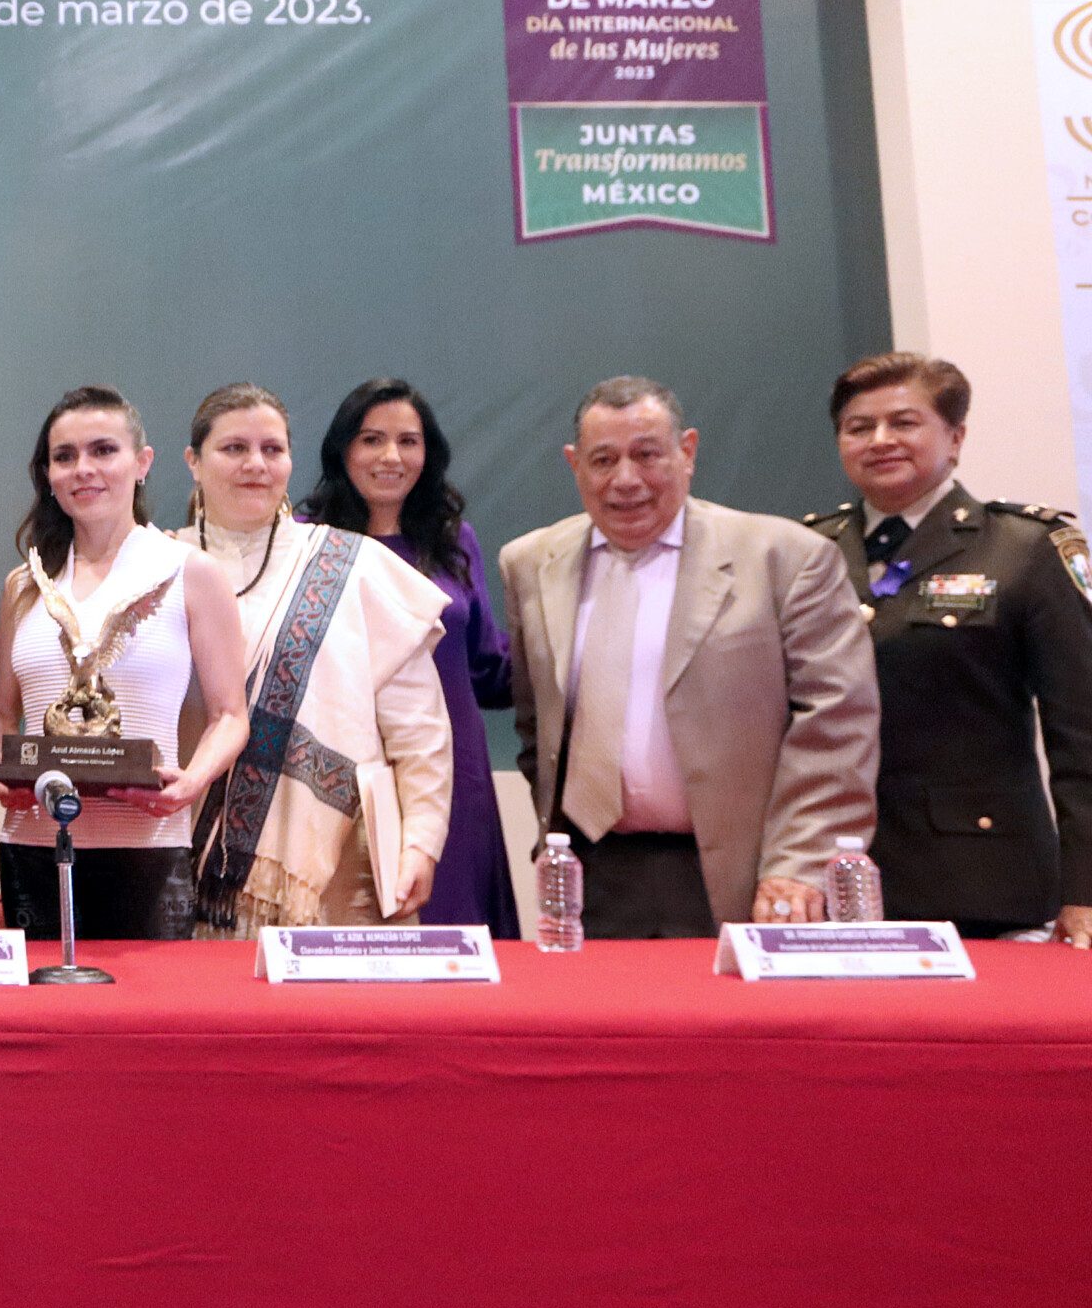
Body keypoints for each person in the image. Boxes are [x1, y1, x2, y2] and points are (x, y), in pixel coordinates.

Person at [501, 376, 878, 937]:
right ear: (574, 464)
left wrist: (798, 863)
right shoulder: (530, 563)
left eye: (647, 455)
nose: (626, 480)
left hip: (743, 878)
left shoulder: (786, 559)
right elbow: (538, 726)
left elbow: (837, 724)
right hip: (590, 879)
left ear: (688, 451)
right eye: (603, 460)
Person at [805, 352, 1092, 946]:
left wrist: (1086, 890)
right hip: (832, 880)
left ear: (955, 437)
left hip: (984, 884)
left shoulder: (1025, 548)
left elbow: (1082, 732)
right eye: (860, 427)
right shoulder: (808, 551)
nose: (880, 440)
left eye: (904, 423)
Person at [176, 384, 456, 936]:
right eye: (234, 448)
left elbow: (419, 730)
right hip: (179, 862)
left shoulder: (356, 567)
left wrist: (421, 842)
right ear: (194, 461)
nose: (255, 465)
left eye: (272, 449)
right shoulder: (159, 566)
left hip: (333, 875)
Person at [0, 387, 250, 938]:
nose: (84, 469)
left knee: (144, 1022)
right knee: (38, 1023)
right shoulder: (24, 586)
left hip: (148, 849)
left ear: (142, 462)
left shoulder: (190, 573)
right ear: (48, 474)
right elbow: (4, 720)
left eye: (103, 450)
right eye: (65, 457)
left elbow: (230, 715)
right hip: (31, 846)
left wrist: (192, 782)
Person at [299, 378, 520, 937]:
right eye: (372, 440)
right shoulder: (306, 541)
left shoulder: (453, 539)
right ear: (343, 450)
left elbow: (487, 666)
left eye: (408, 441)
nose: (392, 457)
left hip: (453, 770)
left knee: (455, 939)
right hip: (342, 773)